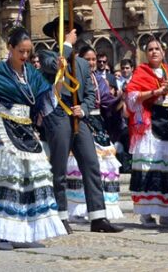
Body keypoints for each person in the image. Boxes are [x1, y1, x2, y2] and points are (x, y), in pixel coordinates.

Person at [0, 27, 66, 250]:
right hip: (3, 128)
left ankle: (26, 231)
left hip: (26, 130)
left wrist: (60, 75)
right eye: (21, 51)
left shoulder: (32, 73)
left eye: (28, 52)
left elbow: (48, 99)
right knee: (7, 179)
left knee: (32, 178)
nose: (24, 56)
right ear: (10, 48)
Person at [38, 17, 122, 234]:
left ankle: (98, 216)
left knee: (91, 163)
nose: (68, 34)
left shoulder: (83, 64)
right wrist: (65, 46)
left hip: (78, 116)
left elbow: (91, 93)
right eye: (63, 31)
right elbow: (55, 67)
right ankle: (61, 215)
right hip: (57, 113)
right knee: (59, 167)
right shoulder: (47, 55)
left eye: (70, 31)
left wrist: (83, 108)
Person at [124, 36, 168, 228]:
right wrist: (156, 92)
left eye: (157, 48)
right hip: (150, 125)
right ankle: (146, 213)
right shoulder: (141, 72)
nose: (154, 52)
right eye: (150, 49)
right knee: (149, 167)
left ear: (164, 52)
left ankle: (167, 213)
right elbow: (132, 97)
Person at [65, 46, 123, 223]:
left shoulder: (100, 80)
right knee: (80, 166)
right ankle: (78, 208)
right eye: (87, 59)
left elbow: (107, 103)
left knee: (105, 166)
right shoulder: (74, 78)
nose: (91, 63)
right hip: (81, 122)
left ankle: (102, 207)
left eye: (93, 59)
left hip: (98, 123)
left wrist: (121, 98)